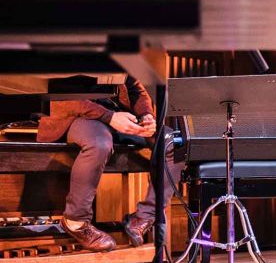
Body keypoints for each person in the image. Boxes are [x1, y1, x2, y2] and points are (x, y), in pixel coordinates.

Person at [37, 75, 183, 252]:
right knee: (99, 144)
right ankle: (75, 221)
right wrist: (109, 116)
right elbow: (59, 96)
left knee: (174, 143)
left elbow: (135, 87)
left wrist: (146, 115)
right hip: (77, 116)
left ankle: (145, 217)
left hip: (117, 115)